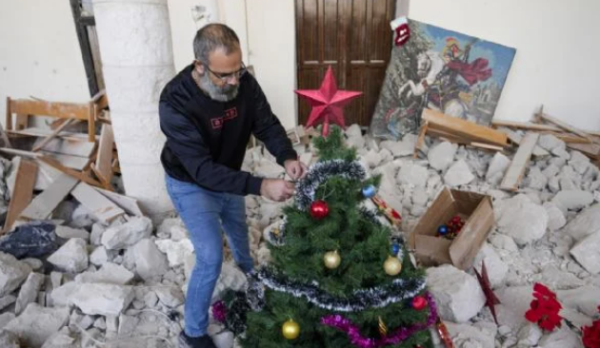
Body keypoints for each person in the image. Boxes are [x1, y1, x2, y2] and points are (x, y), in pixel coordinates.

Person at [159, 23, 307, 348]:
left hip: (228, 174)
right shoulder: (175, 101)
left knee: (239, 234)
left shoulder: (244, 84)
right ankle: (193, 332)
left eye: (237, 71)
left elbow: (265, 122)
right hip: (190, 183)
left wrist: (287, 157)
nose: (232, 82)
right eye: (223, 76)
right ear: (200, 66)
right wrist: (260, 185)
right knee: (210, 257)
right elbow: (201, 170)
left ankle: (248, 278)